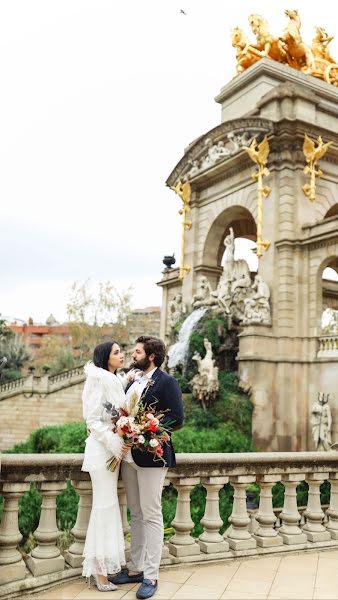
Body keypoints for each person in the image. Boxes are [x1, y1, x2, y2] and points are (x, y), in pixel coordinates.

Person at [109, 335, 184, 599]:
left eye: (137, 351)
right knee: (136, 513)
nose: (133, 355)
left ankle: (151, 575)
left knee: (152, 514)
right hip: (129, 457)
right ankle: (135, 569)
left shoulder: (167, 382)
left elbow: (177, 418)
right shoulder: (131, 380)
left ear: (151, 356)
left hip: (152, 455)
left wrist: (146, 430)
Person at [81, 341, 129, 591]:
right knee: (103, 507)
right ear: (105, 357)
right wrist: (112, 440)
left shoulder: (113, 379)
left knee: (109, 506)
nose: (122, 355)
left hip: (113, 451)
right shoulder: (99, 379)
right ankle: (99, 573)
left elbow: (115, 411)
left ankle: (104, 570)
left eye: (122, 351)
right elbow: (92, 419)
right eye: (117, 352)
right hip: (102, 452)